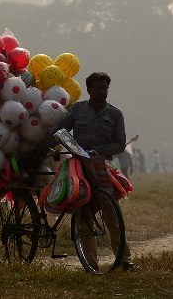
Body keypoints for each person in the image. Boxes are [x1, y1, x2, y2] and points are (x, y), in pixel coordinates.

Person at [57, 71, 139, 272]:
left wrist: (98, 151)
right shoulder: (77, 110)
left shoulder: (115, 114)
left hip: (103, 169)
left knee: (113, 216)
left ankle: (125, 260)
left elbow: (119, 144)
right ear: (89, 90)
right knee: (84, 218)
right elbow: (61, 131)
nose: (102, 91)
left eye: (105, 88)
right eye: (97, 88)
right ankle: (90, 264)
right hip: (79, 170)